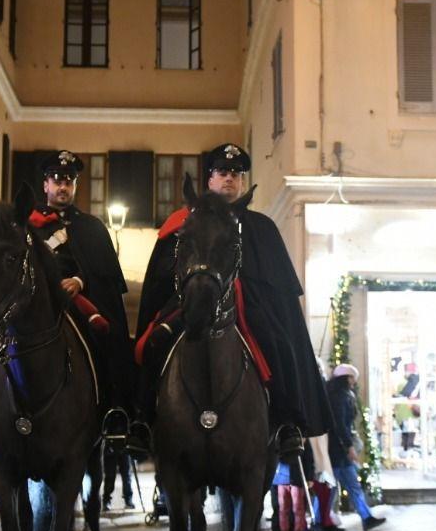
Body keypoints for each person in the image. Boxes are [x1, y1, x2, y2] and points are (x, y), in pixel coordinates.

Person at [137, 143, 331, 458]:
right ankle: (142, 420)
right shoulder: (186, 222)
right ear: (209, 179)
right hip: (192, 303)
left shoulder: (262, 227)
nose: (229, 179)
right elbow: (163, 277)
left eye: (236, 174)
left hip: (248, 306)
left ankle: (286, 423)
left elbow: (278, 288)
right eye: (222, 173)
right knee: (154, 341)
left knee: (280, 343)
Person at [0, 151, 142, 447]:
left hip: (77, 303)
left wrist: (80, 280)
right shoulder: (22, 223)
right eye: (57, 180)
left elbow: (106, 277)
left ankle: (114, 408)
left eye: (69, 181)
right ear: (45, 185)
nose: (63, 187)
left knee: (106, 338)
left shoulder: (91, 228)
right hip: (31, 302)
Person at [326, 364, 385, 531]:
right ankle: (366, 517)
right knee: (349, 486)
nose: (355, 381)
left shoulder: (335, 394)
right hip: (339, 451)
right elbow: (341, 425)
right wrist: (349, 446)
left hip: (334, 449)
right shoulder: (341, 397)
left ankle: (320, 519)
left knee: (330, 487)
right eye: (353, 378)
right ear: (346, 378)